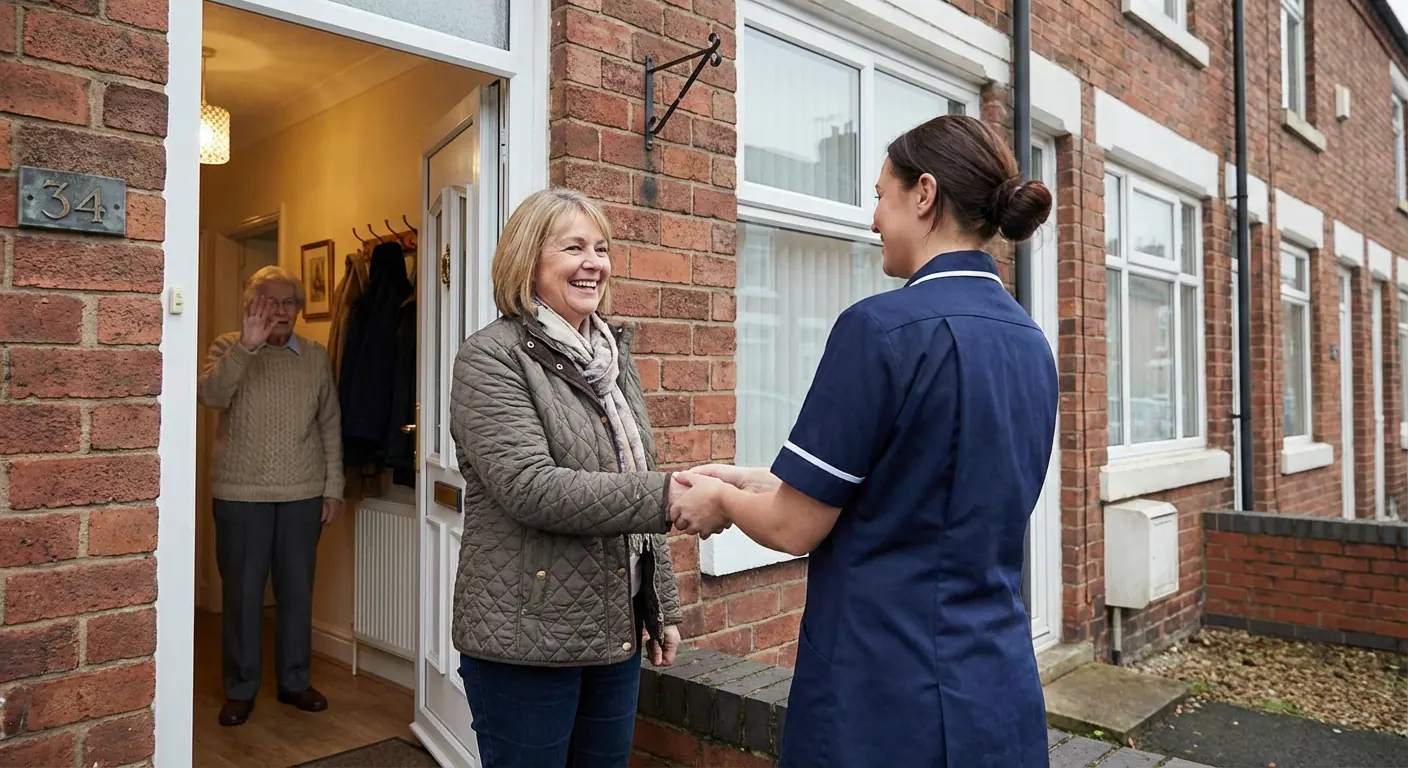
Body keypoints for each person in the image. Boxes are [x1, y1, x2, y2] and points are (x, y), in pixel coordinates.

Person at [670, 115, 1059, 767]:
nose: (874, 218)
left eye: (881, 195)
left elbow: (795, 528)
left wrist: (720, 503)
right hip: (997, 699)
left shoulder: (879, 330)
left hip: (881, 703)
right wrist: (752, 480)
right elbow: (916, 493)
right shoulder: (1032, 344)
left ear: (924, 195)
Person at [447, 187, 686, 768]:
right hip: (526, 639)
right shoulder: (491, 359)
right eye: (573, 247)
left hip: (614, 630)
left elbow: (637, 470)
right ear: (527, 260)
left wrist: (661, 605)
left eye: (601, 248)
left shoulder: (610, 358)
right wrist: (670, 497)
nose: (593, 263)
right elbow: (531, 487)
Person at [197, 265, 344, 727]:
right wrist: (246, 346)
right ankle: (240, 689)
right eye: (268, 301)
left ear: (298, 310)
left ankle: (294, 682)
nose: (279, 311)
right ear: (250, 304)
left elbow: (329, 426)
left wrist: (333, 487)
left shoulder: (315, 357)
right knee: (241, 595)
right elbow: (210, 396)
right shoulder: (227, 346)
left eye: (288, 303)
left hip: (302, 492)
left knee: (297, 593)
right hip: (240, 494)